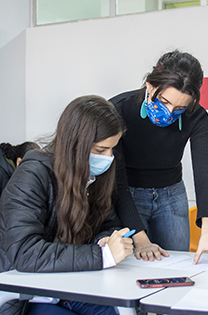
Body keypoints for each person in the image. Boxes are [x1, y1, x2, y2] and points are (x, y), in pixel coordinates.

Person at [0, 95, 133, 315]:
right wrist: (101, 256)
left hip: (71, 284)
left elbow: (108, 223)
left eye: (112, 149)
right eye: (101, 151)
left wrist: (105, 240)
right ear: (76, 144)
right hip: (28, 293)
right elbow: (23, 252)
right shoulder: (33, 175)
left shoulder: (94, 176)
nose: (109, 158)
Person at [110, 50, 208, 264]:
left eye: (180, 108)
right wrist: (140, 238)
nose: (170, 113)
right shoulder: (118, 110)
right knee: (135, 266)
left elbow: (204, 172)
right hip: (128, 195)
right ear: (150, 86)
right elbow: (117, 181)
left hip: (172, 197)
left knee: (177, 265)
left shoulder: (197, 117)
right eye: (164, 101)